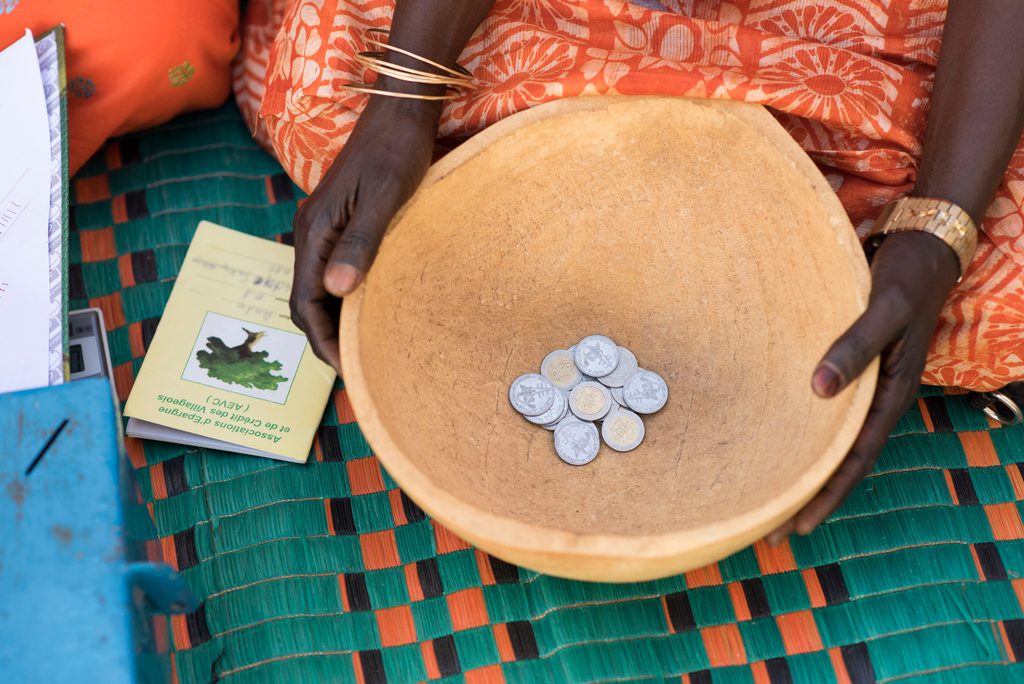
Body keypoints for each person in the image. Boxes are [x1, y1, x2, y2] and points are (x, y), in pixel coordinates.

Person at [233, 0, 1024, 545]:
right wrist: (407, 97)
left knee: (1006, 291)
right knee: (327, 95)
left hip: (849, 30)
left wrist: (937, 230)